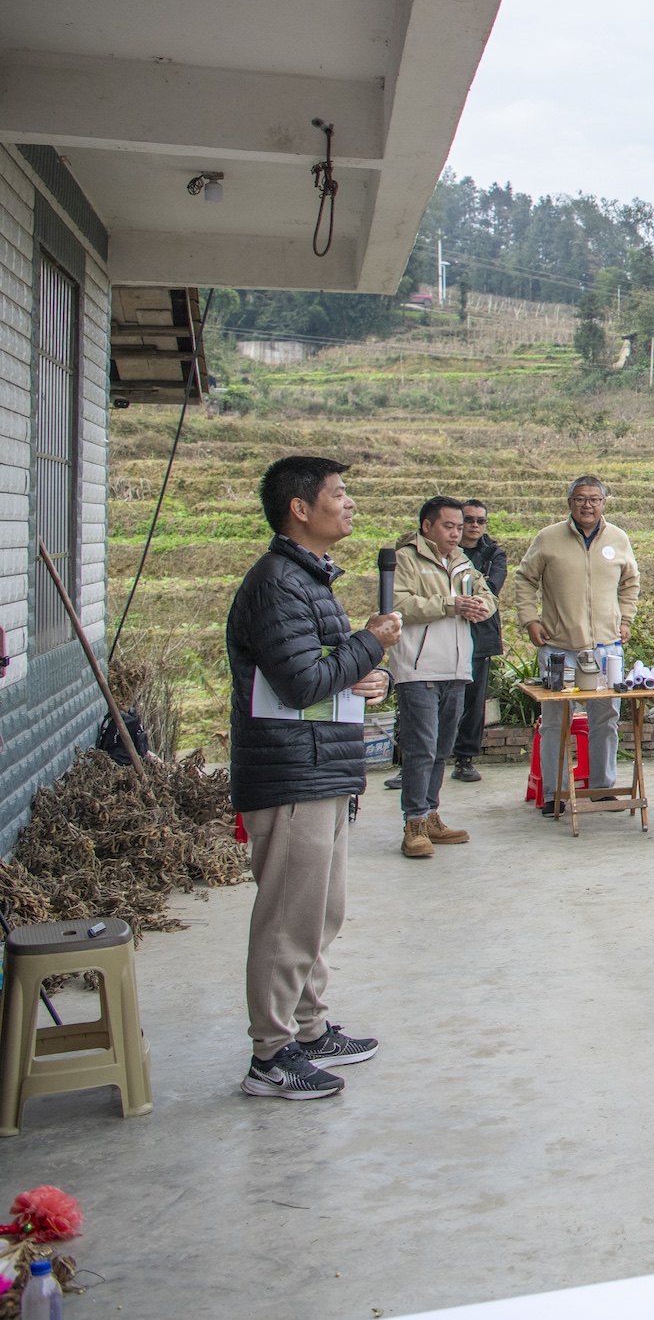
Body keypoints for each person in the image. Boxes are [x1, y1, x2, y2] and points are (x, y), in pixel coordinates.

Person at [228, 456, 396, 1100]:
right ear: (300, 508)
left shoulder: (307, 580)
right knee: (286, 918)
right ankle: (270, 1054)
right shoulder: (277, 583)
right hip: (291, 771)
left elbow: (320, 673)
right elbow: (299, 682)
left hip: (321, 764)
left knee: (320, 911)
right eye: (339, 493)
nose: (349, 503)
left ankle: (308, 1027)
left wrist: (364, 674)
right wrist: (371, 643)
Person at [518, 475, 641, 813]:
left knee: (606, 720)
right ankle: (553, 796)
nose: (588, 505)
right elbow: (525, 578)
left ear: (604, 502)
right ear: (569, 502)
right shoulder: (548, 538)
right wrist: (530, 619)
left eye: (594, 499)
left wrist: (625, 619)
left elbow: (631, 582)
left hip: (606, 648)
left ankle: (602, 789)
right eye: (580, 499)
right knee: (556, 723)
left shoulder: (618, 538)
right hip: (559, 647)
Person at [384, 496, 488, 859]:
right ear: (426, 526)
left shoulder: (462, 562)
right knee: (421, 748)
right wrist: (450, 604)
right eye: (449, 526)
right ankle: (412, 823)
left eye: (460, 527)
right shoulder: (405, 559)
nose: (457, 533)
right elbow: (396, 606)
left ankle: (429, 814)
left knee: (442, 748)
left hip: (456, 668)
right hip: (418, 668)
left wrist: (480, 606)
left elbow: (488, 596)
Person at [452, 498, 506, 783]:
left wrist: (461, 597)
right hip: (444, 633)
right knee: (432, 699)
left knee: (474, 702)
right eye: (468, 520)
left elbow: (491, 591)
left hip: (479, 635)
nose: (474, 525)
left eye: (480, 521)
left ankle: (464, 759)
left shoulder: (494, 553)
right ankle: (415, 761)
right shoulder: (444, 551)